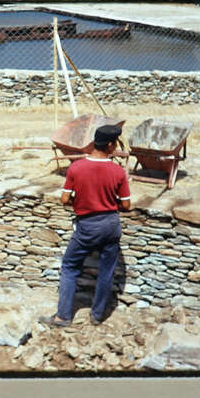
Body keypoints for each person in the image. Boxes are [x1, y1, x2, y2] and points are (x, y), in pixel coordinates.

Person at [39, 125, 132, 328]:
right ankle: (97, 315)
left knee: (70, 266)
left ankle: (63, 316)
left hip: (87, 225)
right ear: (109, 145)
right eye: (115, 144)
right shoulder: (117, 171)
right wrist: (107, 203)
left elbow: (65, 199)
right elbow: (126, 205)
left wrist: (83, 203)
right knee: (106, 270)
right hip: (110, 224)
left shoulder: (76, 168)